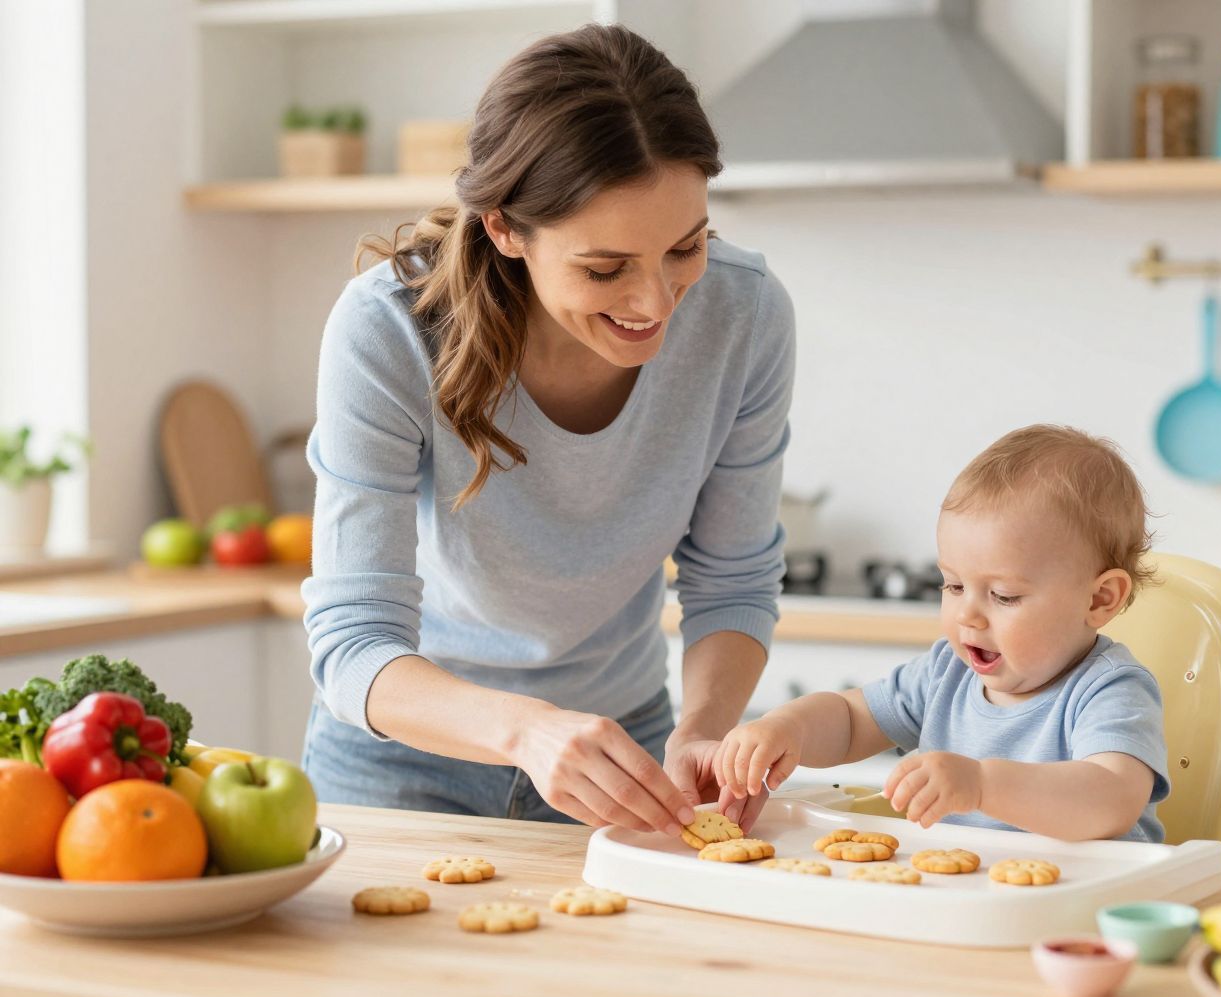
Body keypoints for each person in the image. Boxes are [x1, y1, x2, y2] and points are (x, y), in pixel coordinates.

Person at [300, 23, 794, 838]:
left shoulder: (745, 316)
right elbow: (353, 645)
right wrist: (526, 731)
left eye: (686, 247)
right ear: (504, 229)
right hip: (398, 762)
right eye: (605, 269)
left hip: (625, 759)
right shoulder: (388, 331)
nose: (656, 303)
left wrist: (702, 730)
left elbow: (732, 581)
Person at [715, 425, 1170, 842]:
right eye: (953, 585)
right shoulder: (945, 674)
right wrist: (786, 728)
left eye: (1004, 596)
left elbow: (1110, 799)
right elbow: (852, 720)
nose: (967, 615)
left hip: (1084, 905)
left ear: (1099, 600)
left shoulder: (1109, 688)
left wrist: (982, 785)